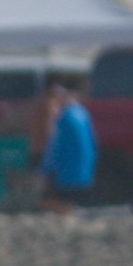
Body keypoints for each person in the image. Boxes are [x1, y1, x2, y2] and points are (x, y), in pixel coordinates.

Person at [39, 72, 96, 213]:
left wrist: (44, 170)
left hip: (67, 174)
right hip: (85, 172)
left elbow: (55, 148)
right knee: (77, 203)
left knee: (55, 204)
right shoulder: (82, 113)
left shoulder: (65, 117)